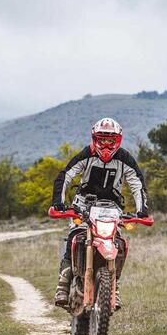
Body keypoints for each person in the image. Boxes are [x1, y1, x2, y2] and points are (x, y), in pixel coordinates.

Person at [50, 117, 149, 309]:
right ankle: (64, 281)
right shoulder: (86, 154)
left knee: (117, 241)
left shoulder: (125, 159)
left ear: (118, 140)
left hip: (112, 208)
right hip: (83, 206)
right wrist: (59, 203)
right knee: (75, 236)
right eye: (102, 139)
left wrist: (142, 210)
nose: (106, 144)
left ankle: (114, 285)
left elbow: (137, 184)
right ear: (94, 138)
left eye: (110, 140)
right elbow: (65, 176)